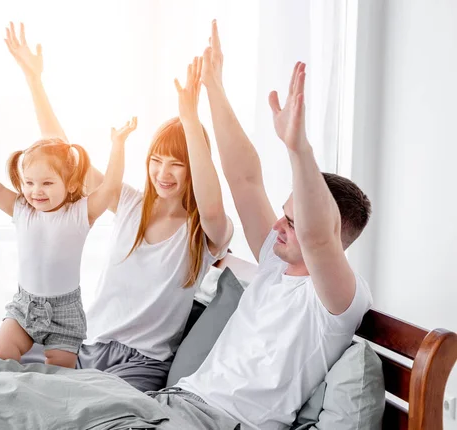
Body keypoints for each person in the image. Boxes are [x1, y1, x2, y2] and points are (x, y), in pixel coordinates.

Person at [142, 20, 374, 430]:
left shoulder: (334, 303)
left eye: (293, 222)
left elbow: (319, 239)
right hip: (177, 404)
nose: (279, 228)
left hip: (225, 423)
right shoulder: (275, 259)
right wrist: (214, 87)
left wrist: (298, 148)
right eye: (284, 216)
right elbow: (244, 180)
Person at [4, 22, 233, 391]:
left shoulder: (204, 231)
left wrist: (190, 118)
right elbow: (64, 154)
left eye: (177, 163)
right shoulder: (129, 203)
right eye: (157, 160)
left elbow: (210, 202)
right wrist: (34, 80)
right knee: (11, 382)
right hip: (89, 346)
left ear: (195, 166)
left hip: (143, 363)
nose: (163, 173)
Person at [0, 115, 136, 368]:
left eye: (47, 183)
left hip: (65, 313)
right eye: (29, 183)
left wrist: (118, 145)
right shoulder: (21, 209)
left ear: (72, 183)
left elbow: (109, 187)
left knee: (58, 378)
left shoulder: (80, 213)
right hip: (24, 307)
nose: (36, 191)